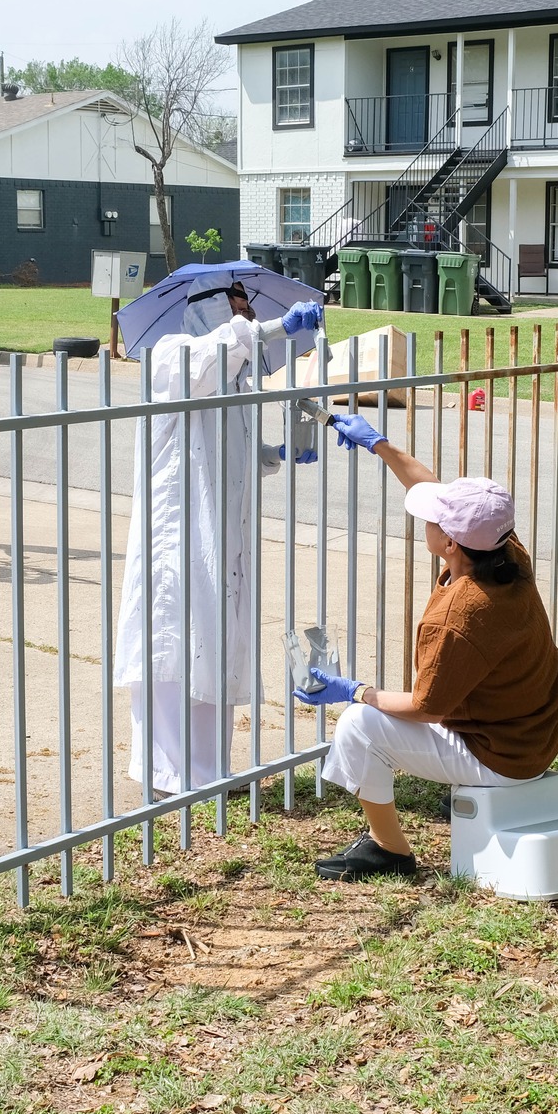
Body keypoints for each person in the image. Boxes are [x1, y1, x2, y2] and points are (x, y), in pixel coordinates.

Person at [294, 414, 558, 881]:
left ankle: (389, 851)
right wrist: (379, 444)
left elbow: (426, 708)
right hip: (536, 737)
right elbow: (434, 487)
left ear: (450, 542)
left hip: (502, 756)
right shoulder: (505, 554)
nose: (423, 520)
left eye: (433, 519)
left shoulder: (460, 616)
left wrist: (354, 690)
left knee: (360, 726)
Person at [116, 277, 323, 796]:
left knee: (214, 645)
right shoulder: (173, 356)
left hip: (221, 537)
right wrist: (273, 328)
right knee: (175, 645)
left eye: (247, 309)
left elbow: (234, 453)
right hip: (178, 536)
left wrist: (278, 453)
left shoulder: (235, 381)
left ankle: (210, 773)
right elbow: (207, 361)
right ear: (205, 311)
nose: (245, 319)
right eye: (234, 309)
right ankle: (168, 774)